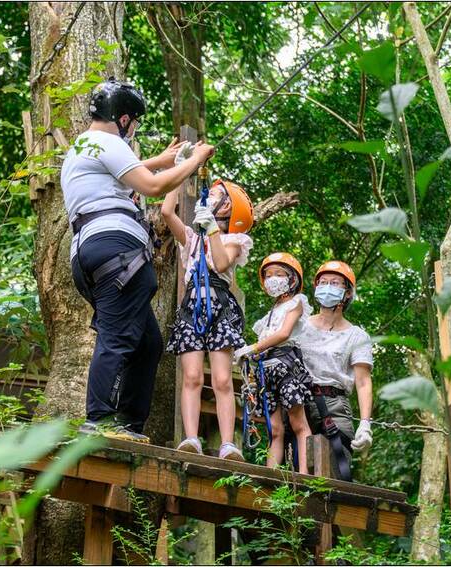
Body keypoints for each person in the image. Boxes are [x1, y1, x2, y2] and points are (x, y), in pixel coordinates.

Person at [62, 78, 214, 442]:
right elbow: (153, 186)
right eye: (134, 122)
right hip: (117, 251)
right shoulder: (109, 142)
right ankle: (98, 420)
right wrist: (193, 161)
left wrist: (161, 160)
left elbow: (126, 172)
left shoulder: (84, 146)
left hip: (91, 253)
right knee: (117, 337)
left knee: (147, 342)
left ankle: (129, 423)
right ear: (125, 118)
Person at [162, 177, 254, 461]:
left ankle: (228, 444)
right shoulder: (191, 238)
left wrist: (212, 229)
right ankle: (191, 438)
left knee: (223, 379)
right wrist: (177, 172)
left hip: (220, 304)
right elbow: (167, 213)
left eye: (218, 195)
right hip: (193, 303)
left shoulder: (234, 240)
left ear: (229, 207)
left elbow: (222, 262)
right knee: (191, 376)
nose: (212, 197)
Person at [235, 253, 314, 474]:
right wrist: (251, 355)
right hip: (266, 370)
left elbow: (284, 333)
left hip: (287, 366)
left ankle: (304, 476)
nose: (273, 278)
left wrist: (252, 348)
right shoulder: (267, 318)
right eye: (268, 275)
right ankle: (271, 476)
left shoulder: (297, 303)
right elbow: (267, 339)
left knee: (298, 423)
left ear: (292, 279)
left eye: (279, 274)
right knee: (275, 430)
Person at [298, 261, 374, 481]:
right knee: (293, 471)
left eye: (334, 283)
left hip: (334, 405)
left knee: (333, 476)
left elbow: (363, 381)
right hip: (297, 403)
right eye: (323, 282)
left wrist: (365, 423)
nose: (327, 287)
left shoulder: (357, 336)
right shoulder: (298, 325)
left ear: (347, 293)